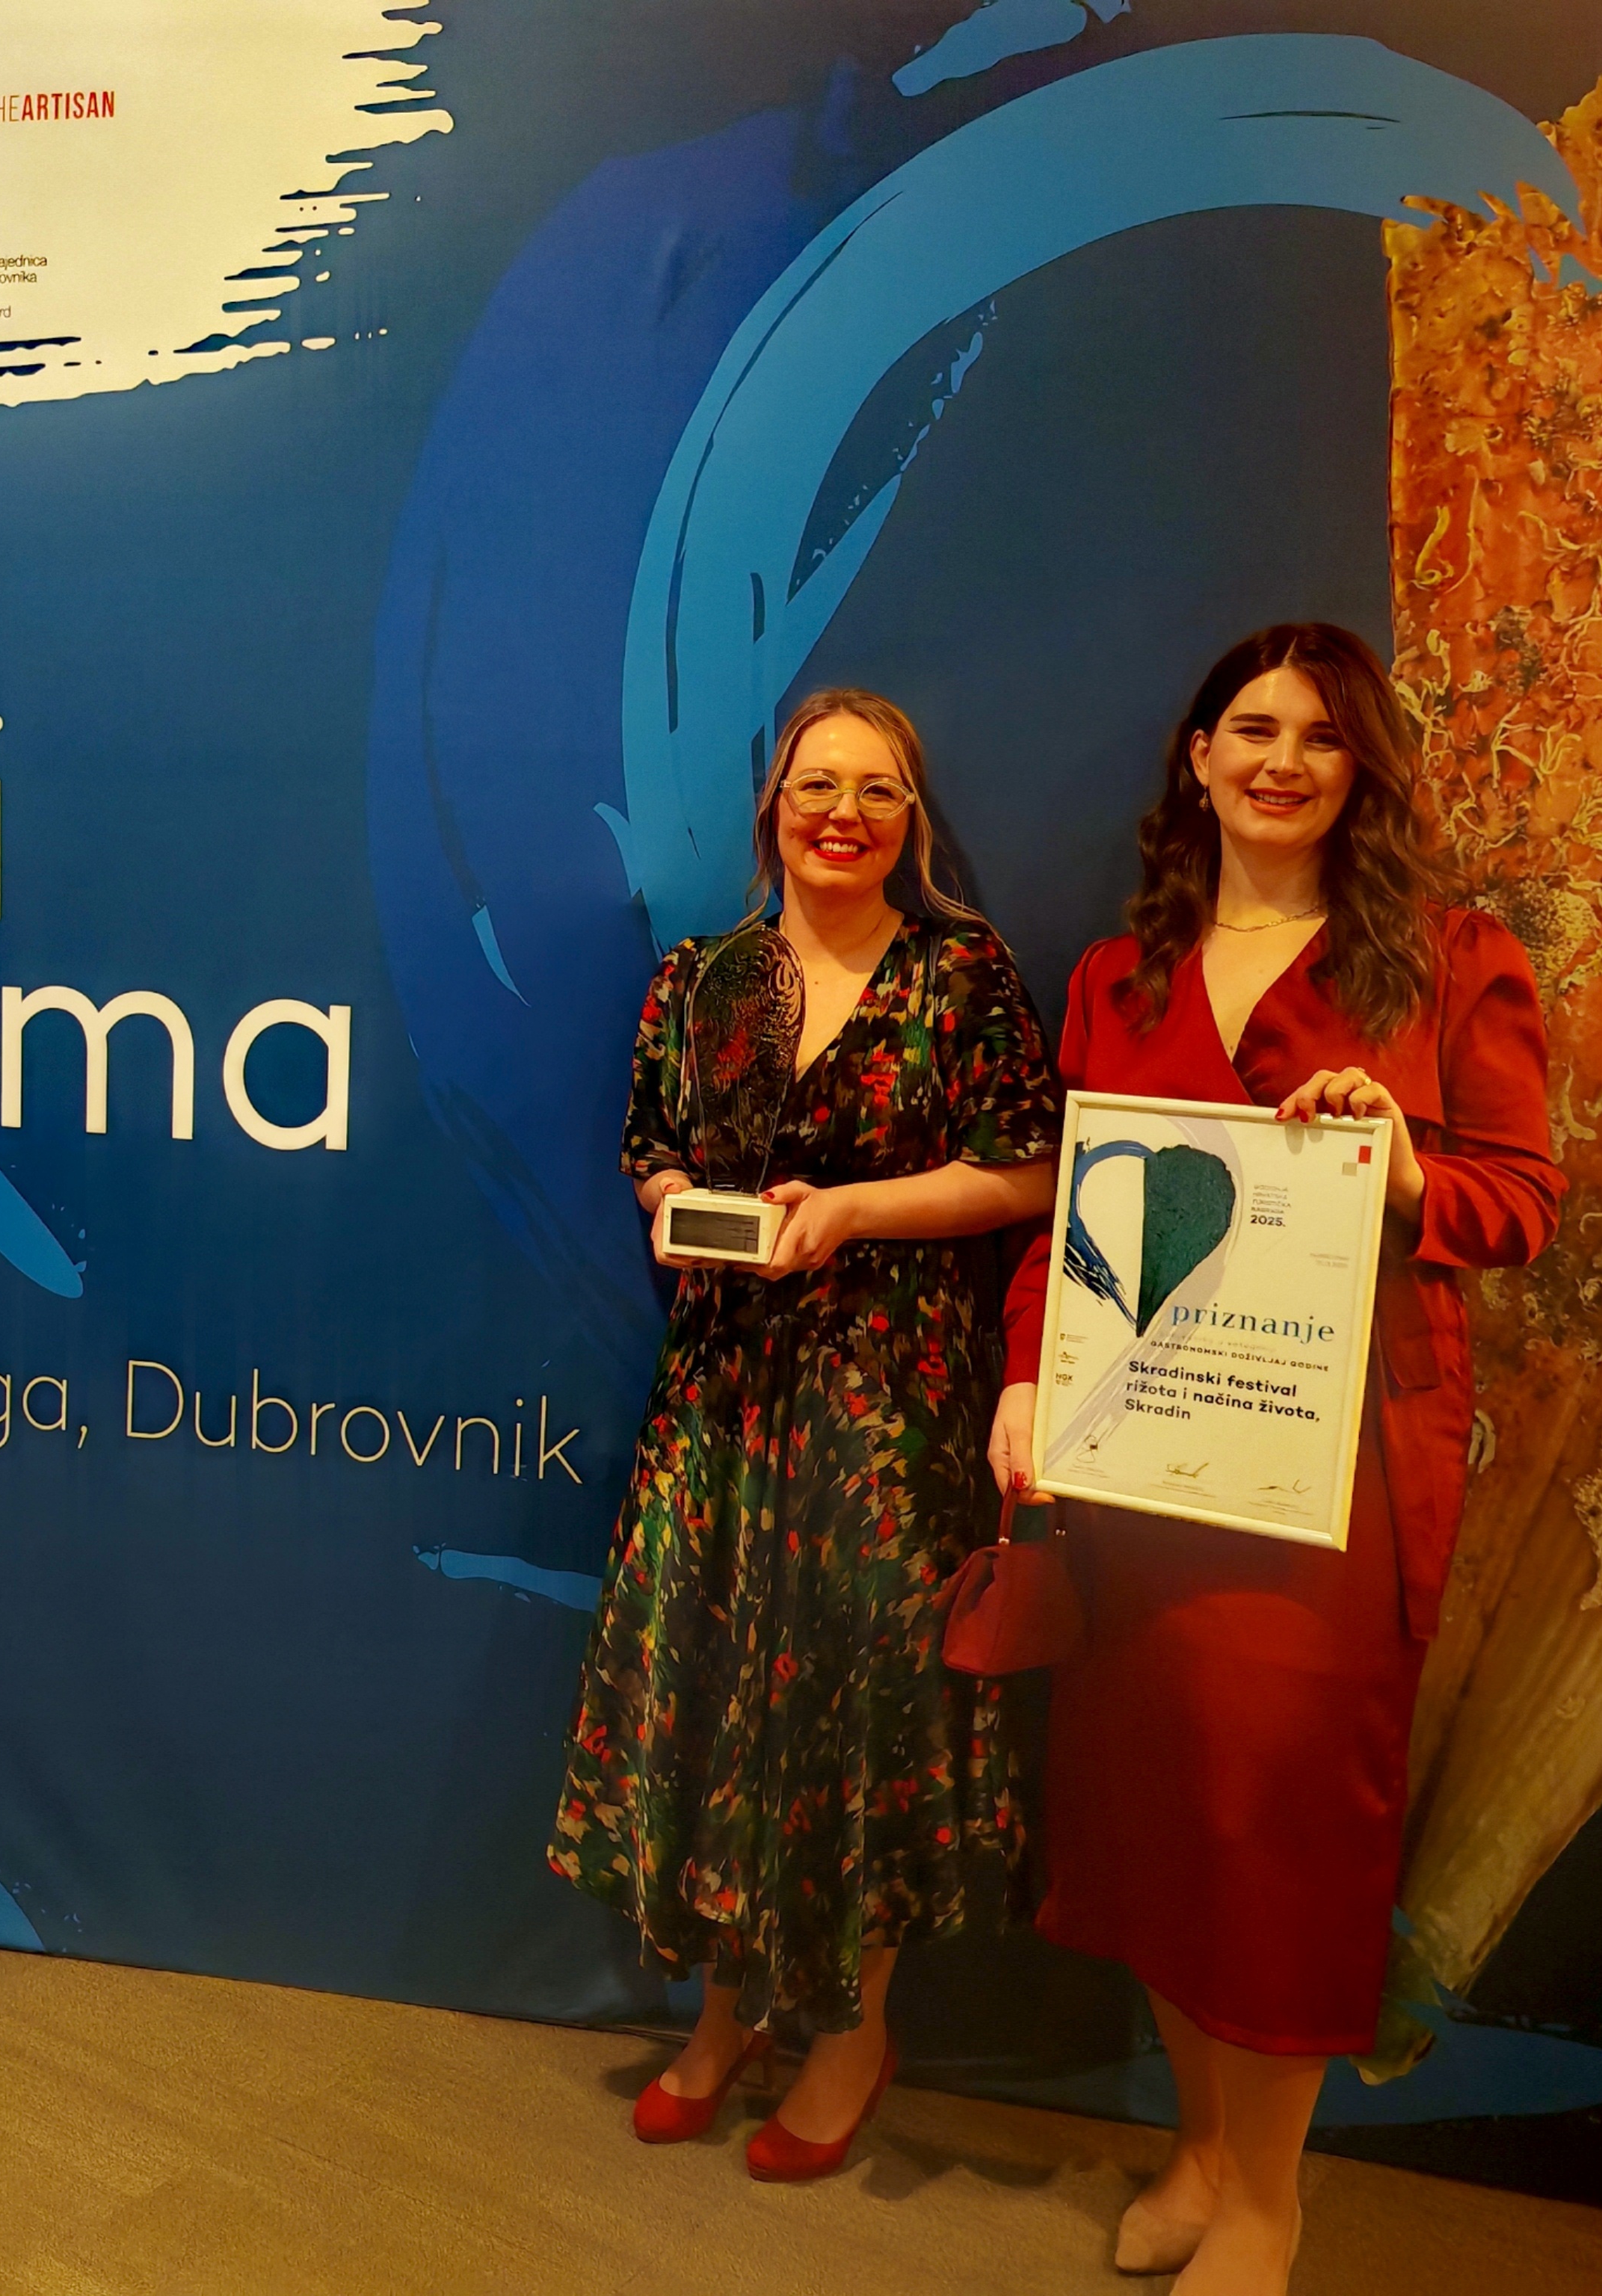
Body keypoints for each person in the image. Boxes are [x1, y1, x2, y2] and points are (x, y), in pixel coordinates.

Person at [988, 625, 1560, 2295]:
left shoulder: (1449, 962)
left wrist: (1401, 1170)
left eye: (1318, 735)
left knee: (1283, 1828)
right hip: (1141, 1460)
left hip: (1339, 1478)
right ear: (1197, 756)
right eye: (1251, 728)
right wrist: (1023, 1383)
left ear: (1358, 766)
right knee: (1159, 1810)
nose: (1281, 761)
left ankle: (1268, 2202)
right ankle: (1200, 2148)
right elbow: (1069, 1216)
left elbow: (1521, 1202)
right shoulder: (1120, 976)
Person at [552, 688, 1062, 2178]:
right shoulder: (700, 979)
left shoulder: (960, 974)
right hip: (719, 1405)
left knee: (858, 1724)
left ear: (912, 819)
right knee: (719, 1705)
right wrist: (679, 1209)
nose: (844, 812)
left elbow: (1033, 1170)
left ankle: (849, 2035)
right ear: (772, 805)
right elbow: (649, 1152)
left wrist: (851, 1213)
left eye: (877, 790)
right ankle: (725, 2019)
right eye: (816, 784)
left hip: (886, 1413)